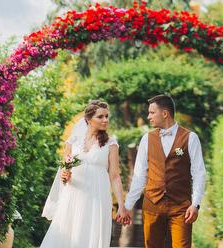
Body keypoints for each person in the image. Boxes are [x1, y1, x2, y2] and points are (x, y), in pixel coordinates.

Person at [117, 94, 207, 248]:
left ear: (164, 113)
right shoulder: (146, 139)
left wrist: (195, 204)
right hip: (153, 204)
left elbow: (199, 173)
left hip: (181, 207)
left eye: (152, 113)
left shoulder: (190, 138)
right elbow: (139, 176)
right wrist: (128, 205)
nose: (148, 117)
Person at [40, 100, 127, 248]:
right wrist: (65, 176)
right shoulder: (73, 141)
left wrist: (121, 205)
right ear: (88, 119)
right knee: (68, 235)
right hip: (74, 195)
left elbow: (114, 176)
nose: (105, 120)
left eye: (107, 116)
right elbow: (64, 170)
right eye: (100, 117)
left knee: (90, 236)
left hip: (97, 197)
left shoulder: (111, 143)